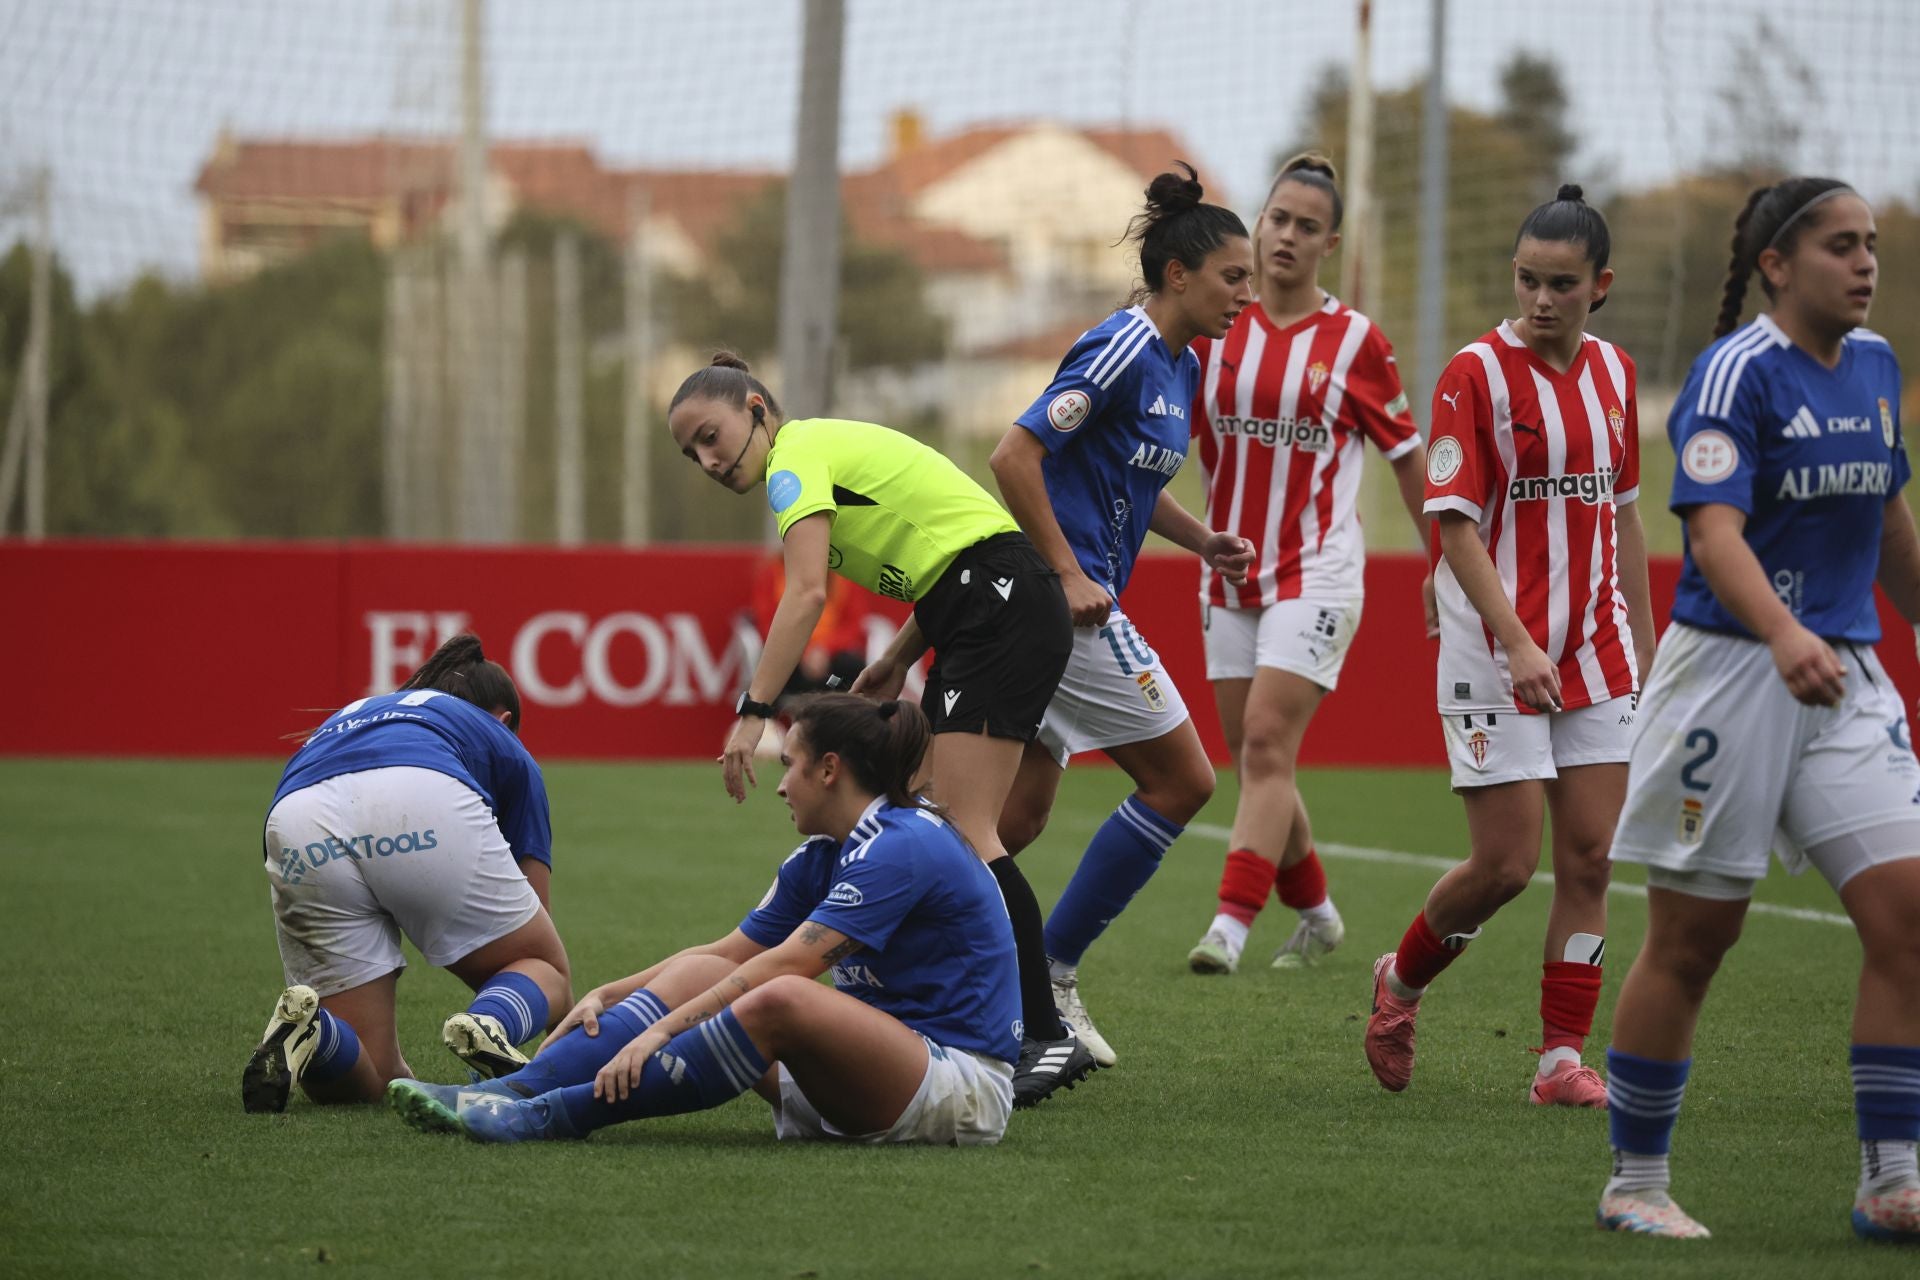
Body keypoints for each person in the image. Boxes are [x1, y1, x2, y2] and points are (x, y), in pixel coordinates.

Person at [1594, 178, 1920, 1243]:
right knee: (1693, 940)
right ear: (1778, 264)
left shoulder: (1875, 368)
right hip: (1733, 676)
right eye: (1840, 245)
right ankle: (1635, 1181)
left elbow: (1889, 519)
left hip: (1842, 677)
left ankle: (1892, 1182)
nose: (1864, 262)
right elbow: (1713, 535)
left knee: (1908, 916)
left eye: (1870, 243)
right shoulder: (1733, 372)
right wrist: (1784, 635)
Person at [666, 358, 1092, 1106]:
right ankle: (971, 1020)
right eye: (690, 454)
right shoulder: (810, 454)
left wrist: (753, 712)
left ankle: (1043, 1032)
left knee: (963, 829)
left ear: (757, 409)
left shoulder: (794, 461)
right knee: (935, 824)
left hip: (998, 601)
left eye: (711, 435)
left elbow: (804, 596)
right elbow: (943, 554)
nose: (706, 460)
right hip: (982, 601)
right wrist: (896, 658)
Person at [386, 695, 1028, 1145]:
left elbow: (786, 967)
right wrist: (614, 994)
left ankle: (556, 1116)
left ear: (829, 770)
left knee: (783, 997)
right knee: (706, 971)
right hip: (882, 1071)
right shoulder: (827, 852)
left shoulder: (900, 845)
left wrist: (655, 1033)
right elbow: (729, 953)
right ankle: (518, 1092)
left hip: (959, 1088)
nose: (781, 787)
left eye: (790, 768)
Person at [1363, 186, 1655, 1107]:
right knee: (1505, 867)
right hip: (1496, 653)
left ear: (1599, 286)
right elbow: (1453, 528)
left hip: (1598, 651)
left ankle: (1559, 1060)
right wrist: (1519, 643)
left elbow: (1625, 520)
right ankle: (1400, 984)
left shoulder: (1616, 374)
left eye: (1560, 284)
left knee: (1591, 859)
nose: (1539, 298)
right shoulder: (1473, 375)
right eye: (1527, 279)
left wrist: (1648, 654)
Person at [989, 163, 1257, 1068]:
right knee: (1185, 781)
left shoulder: (1179, 365)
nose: (1246, 296)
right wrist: (1066, 573)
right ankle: (1052, 976)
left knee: (1007, 823)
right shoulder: (1120, 346)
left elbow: (1134, 479)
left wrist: (1202, 538)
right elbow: (1014, 455)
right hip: (1060, 608)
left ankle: (924, 964)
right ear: (1178, 274)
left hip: (1064, 604)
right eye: (1234, 277)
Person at [1181, 152, 1437, 977]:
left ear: (1332, 242)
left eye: (1306, 226)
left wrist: (1440, 563)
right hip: (1226, 570)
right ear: (1258, 223)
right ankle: (1319, 913)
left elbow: (1407, 456)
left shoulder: (1357, 342)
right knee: (1259, 762)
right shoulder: (1215, 327)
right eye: (1277, 219)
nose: (1286, 236)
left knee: (1264, 741)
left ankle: (1229, 922)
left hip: (1319, 571)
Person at [241, 634, 572, 1113]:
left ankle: (315, 1032)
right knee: (545, 968)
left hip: (296, 818)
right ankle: (491, 1024)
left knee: (372, 1076)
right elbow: (536, 924)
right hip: (422, 799)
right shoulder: (499, 738)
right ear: (504, 720)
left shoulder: (360, 710)